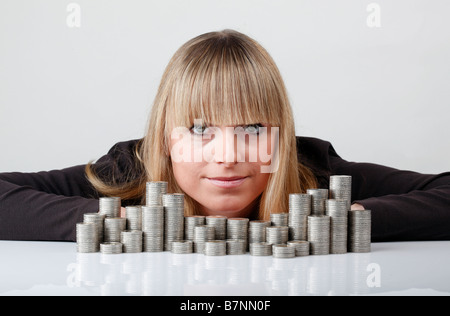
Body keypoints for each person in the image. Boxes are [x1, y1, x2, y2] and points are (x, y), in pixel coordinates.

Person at [1, 29, 449, 243]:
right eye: (199, 130)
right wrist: (112, 221)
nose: (227, 156)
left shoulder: (311, 171)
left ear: (280, 136)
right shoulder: (131, 171)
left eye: (253, 129)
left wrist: (352, 220)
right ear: (165, 139)